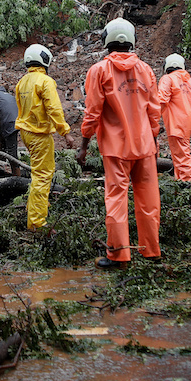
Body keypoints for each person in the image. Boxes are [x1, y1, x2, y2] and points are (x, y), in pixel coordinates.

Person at [77, 19, 162, 269]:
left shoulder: (99, 70)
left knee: (116, 199)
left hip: (116, 149)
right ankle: (152, 251)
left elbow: (93, 112)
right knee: (149, 199)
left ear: (107, 40)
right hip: (145, 146)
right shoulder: (146, 70)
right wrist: (154, 142)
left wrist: (84, 144)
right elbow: (154, 111)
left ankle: (119, 255)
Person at [15, 44, 75, 231]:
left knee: (37, 174)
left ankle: (36, 209)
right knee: (42, 176)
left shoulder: (22, 81)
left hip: (26, 132)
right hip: (39, 133)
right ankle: (37, 223)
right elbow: (54, 109)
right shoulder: (45, 81)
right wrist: (65, 132)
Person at [157, 53, 191, 183]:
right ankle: (181, 182)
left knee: (182, 158)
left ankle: (190, 186)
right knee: (181, 156)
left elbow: (162, 100)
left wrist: (151, 119)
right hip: (187, 124)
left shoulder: (168, 79)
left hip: (176, 124)